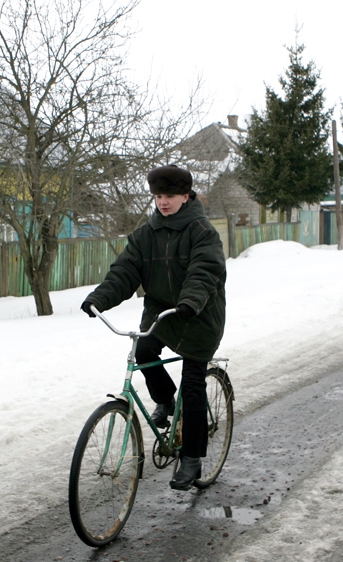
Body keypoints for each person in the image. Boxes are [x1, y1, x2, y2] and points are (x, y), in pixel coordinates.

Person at [81, 164, 227, 491]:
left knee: (192, 384)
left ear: (186, 196)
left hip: (198, 315)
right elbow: (125, 272)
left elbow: (204, 272)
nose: (163, 202)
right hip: (162, 313)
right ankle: (165, 399)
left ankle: (192, 458)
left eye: (170, 196)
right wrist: (99, 299)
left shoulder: (202, 231)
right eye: (159, 196)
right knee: (143, 350)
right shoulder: (146, 234)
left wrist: (190, 301)